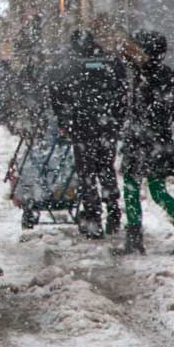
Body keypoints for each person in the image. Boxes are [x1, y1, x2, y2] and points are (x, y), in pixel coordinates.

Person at [115, 30, 174, 255]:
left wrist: (151, 114)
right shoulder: (148, 73)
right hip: (152, 140)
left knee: (143, 188)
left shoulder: (154, 76)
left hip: (148, 141)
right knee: (143, 189)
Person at [48, 28, 128, 239]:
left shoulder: (70, 66)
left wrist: (65, 120)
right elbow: (122, 92)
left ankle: (93, 218)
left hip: (82, 127)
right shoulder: (110, 63)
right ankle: (113, 213)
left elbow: (56, 92)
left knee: (87, 173)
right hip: (107, 126)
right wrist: (117, 120)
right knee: (106, 169)